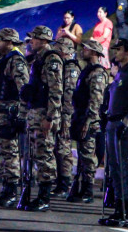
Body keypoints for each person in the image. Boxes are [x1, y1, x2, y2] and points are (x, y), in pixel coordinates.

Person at [98, 38, 128, 227]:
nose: (115, 52)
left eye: (119, 49)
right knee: (115, 169)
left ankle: (126, 210)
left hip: (124, 126)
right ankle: (118, 208)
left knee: (125, 168)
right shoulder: (120, 73)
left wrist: (126, 121)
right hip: (113, 123)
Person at [19, 26, 63, 212]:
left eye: (35, 39)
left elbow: (55, 90)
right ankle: (37, 194)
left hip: (44, 113)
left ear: (44, 40)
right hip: (35, 112)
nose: (31, 42)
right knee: (36, 154)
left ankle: (44, 197)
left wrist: (50, 117)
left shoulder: (51, 59)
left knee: (44, 154)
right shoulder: (37, 59)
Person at [0, 28, 28, 207]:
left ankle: (11, 191)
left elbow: (23, 89)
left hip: (8, 114)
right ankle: (5, 188)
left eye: (0, 40)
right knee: (2, 153)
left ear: (9, 42)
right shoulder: (4, 60)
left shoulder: (16, 61)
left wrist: (21, 114)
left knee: (9, 153)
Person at [66, 40, 107, 204]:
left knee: (89, 156)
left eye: (87, 49)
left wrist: (88, 121)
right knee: (83, 155)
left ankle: (88, 189)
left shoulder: (97, 72)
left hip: (90, 119)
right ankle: (81, 187)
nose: (83, 50)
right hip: (81, 116)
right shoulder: (87, 71)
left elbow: (96, 100)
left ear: (95, 52)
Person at [51, 37, 81, 198]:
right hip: (60, 113)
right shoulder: (63, 66)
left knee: (63, 148)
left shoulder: (70, 68)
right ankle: (60, 181)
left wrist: (65, 117)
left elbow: (68, 94)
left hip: (66, 114)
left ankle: (64, 183)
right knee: (58, 147)